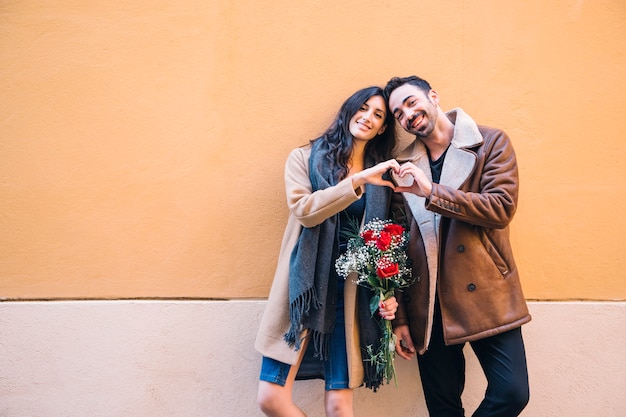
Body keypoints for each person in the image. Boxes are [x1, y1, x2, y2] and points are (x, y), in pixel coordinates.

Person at [384, 75, 531, 417]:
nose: (407, 114)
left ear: (432, 97)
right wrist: (401, 317)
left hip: (487, 295)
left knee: (512, 392)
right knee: (443, 407)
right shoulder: (404, 167)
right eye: (398, 113)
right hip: (428, 301)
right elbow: (397, 245)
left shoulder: (489, 142)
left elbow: (500, 208)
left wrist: (432, 193)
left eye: (410, 102)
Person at [255, 86, 402, 417]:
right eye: (362, 108)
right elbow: (304, 210)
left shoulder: (385, 178)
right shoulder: (304, 158)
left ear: (382, 128)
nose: (367, 117)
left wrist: (390, 295)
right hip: (305, 290)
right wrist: (358, 180)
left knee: (339, 406)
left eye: (378, 115)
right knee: (271, 399)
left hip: (352, 296)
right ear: (348, 111)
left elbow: (386, 242)